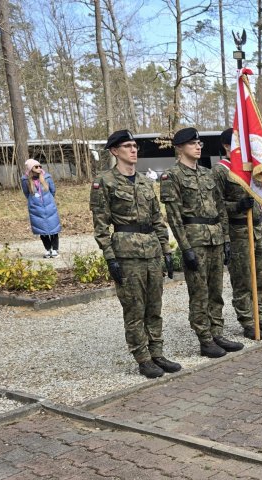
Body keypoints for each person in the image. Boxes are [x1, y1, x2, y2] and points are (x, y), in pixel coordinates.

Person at [90, 130, 180, 379]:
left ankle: (157, 353)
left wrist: (166, 251)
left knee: (154, 306)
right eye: (127, 146)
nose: (133, 150)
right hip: (126, 254)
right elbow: (100, 226)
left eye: (135, 146)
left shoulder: (145, 181)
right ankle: (142, 358)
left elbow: (157, 219)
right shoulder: (104, 181)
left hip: (151, 251)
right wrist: (110, 258)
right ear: (114, 151)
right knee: (134, 308)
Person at [161, 127, 239, 358]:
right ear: (179, 147)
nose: (198, 146)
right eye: (192, 143)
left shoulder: (207, 174)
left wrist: (225, 238)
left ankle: (217, 332)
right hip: (195, 240)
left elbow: (220, 207)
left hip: (215, 237)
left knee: (216, 290)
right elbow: (174, 216)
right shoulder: (172, 175)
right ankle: (204, 339)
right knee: (199, 292)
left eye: (200, 143)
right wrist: (185, 248)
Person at [214, 128, 262, 340]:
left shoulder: (253, 168)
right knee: (243, 279)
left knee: (260, 277)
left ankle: (259, 317)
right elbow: (215, 206)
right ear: (227, 146)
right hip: (238, 231)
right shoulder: (221, 170)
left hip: (258, 229)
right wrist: (237, 206)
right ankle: (247, 321)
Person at [21, 159, 62, 258]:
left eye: (40, 166)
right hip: (36, 209)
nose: (39, 168)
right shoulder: (25, 180)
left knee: (53, 229)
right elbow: (27, 193)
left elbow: (53, 190)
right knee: (42, 231)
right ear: (31, 169)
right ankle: (48, 249)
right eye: (36, 167)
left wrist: (48, 200)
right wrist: (34, 202)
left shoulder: (47, 177)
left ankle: (55, 249)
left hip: (49, 207)